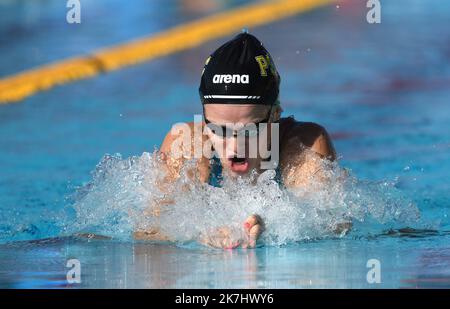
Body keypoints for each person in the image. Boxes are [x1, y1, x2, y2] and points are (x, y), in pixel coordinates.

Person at [134, 32, 337, 248]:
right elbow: (148, 232)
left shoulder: (303, 144)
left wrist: (272, 225)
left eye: (250, 129)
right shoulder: (187, 144)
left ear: (275, 115)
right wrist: (200, 232)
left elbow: (332, 225)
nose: (234, 148)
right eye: (218, 129)